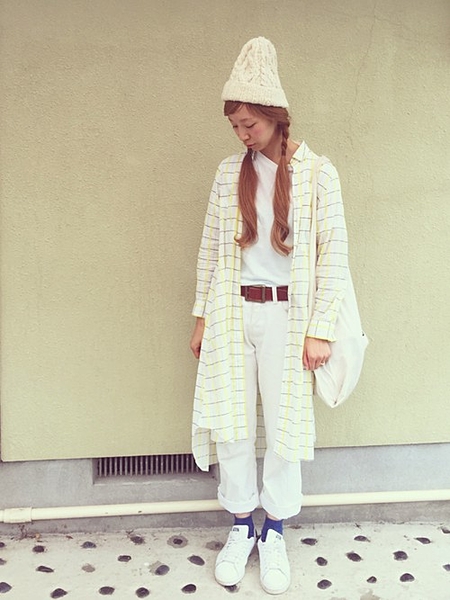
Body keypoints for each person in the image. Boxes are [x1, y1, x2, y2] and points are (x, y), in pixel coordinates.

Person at [190, 37, 348, 595]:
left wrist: (320, 330)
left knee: (284, 426)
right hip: (233, 311)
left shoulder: (318, 174)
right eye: (235, 125)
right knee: (231, 421)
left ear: (276, 117)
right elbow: (211, 250)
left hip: (288, 317)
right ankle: (241, 525)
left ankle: (274, 531)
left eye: (250, 123)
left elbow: (334, 255)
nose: (242, 134)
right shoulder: (226, 174)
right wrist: (202, 317)